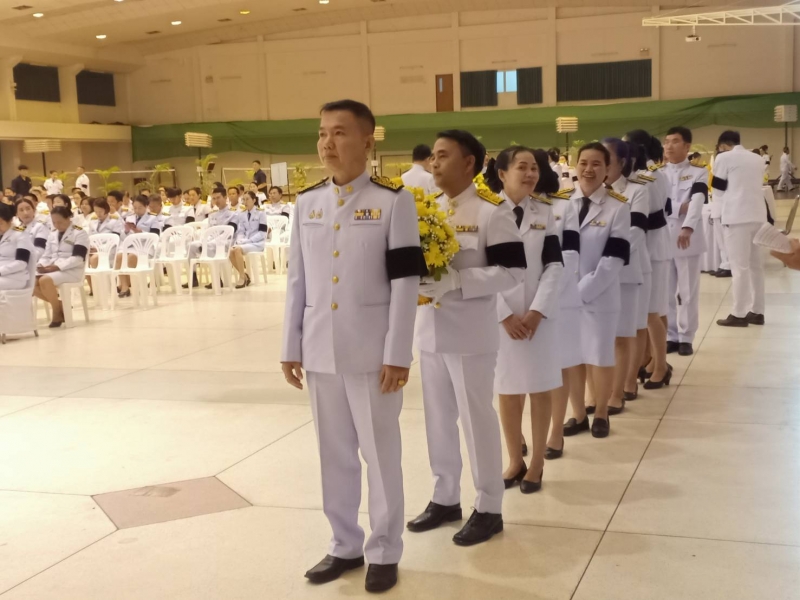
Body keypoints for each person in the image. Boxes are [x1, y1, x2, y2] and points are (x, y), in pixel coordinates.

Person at [281, 99, 423, 594]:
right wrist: (291, 344)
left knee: (380, 456)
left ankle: (384, 550)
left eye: (339, 132)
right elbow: (298, 280)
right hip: (320, 349)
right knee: (334, 453)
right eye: (322, 133)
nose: (327, 142)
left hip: (372, 353)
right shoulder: (307, 203)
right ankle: (344, 544)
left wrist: (397, 353)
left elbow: (406, 283)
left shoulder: (393, 201)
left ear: (367, 140)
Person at [407, 130, 525, 547]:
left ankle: (489, 507)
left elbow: (513, 272)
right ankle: (445, 497)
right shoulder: (427, 208)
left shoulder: (492, 212)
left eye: (443, 156)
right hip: (430, 330)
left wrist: (459, 280)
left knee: (476, 421)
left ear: (469, 163)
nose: (434, 163)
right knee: (438, 420)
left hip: (471, 335)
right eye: (433, 156)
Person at [484, 146, 563, 494]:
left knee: (540, 387)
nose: (530, 174)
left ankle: (537, 464)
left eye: (534, 168)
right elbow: (480, 269)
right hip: (500, 319)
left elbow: (554, 265)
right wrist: (503, 314)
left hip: (537, 320)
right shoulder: (487, 211)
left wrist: (536, 311)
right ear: (502, 174)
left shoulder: (545, 213)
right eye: (522, 167)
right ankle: (515, 460)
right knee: (508, 389)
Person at [565, 143, 631, 438]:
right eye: (583, 163)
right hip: (564, 296)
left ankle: (601, 412)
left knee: (600, 355)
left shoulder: (618, 207)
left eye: (596, 164)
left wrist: (580, 291)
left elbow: (614, 258)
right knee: (572, 357)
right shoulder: (561, 203)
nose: (588, 169)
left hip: (600, 295)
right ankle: (578, 414)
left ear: (607, 170)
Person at [603, 138, 650, 412]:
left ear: (622, 163)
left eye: (606, 159)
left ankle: (620, 390)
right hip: (595, 275)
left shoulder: (637, 191)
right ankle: (601, 390)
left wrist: (607, 258)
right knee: (600, 336)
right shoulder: (587, 194)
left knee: (623, 334)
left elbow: (636, 232)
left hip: (626, 271)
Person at [625, 130, 672, 389]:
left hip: (651, 249)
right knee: (657, 311)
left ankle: (661, 365)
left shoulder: (645, 177)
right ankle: (655, 360)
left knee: (650, 312)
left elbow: (652, 218)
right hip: (655, 248)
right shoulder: (654, 172)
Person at [713, 131, 774, 327]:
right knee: (756, 266)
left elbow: (717, 189)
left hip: (736, 216)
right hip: (758, 215)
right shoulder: (757, 158)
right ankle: (757, 311)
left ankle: (738, 313)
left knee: (739, 267)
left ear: (723, 145)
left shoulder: (723, 157)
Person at [663, 127, 708, 356]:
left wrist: (688, 226)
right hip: (663, 239)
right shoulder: (657, 174)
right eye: (666, 142)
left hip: (687, 239)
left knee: (688, 291)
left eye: (675, 141)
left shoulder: (698, 172)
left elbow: (698, 200)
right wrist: (680, 207)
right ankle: (670, 335)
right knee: (666, 291)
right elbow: (656, 204)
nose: (669, 146)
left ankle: (686, 337)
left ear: (687, 146)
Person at [34, 205, 89, 327]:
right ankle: (59, 305)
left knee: (45, 280)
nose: (57, 225)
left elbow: (78, 258)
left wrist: (57, 267)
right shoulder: (52, 234)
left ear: (68, 218)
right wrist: (41, 265)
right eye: (54, 222)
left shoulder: (79, 233)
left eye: (60, 222)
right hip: (53, 269)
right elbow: (46, 255)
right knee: (30, 282)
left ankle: (56, 313)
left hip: (72, 270)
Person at [185, 188, 239, 290]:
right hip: (211, 242)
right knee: (191, 246)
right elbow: (209, 231)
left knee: (209, 245)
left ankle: (217, 279)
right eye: (214, 198)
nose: (216, 200)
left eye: (218, 197)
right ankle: (193, 277)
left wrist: (209, 241)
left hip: (227, 241)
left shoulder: (234, 213)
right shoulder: (213, 214)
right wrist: (205, 240)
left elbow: (230, 232)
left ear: (225, 197)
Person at [229, 191, 267, 289]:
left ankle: (242, 278)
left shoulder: (261, 212)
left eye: (247, 199)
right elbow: (241, 231)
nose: (245, 202)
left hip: (257, 243)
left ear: (254, 200)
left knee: (237, 250)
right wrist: (239, 240)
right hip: (245, 242)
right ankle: (245, 275)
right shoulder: (242, 214)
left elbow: (262, 233)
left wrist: (248, 241)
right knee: (231, 251)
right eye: (243, 199)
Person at [0, 202, 34, 291]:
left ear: (10, 220)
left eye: (0, 223)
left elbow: (21, 263)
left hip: (15, 277)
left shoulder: (21, 234)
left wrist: (1, 271)